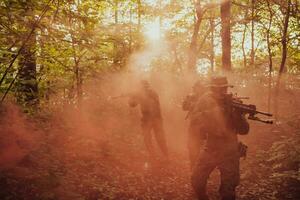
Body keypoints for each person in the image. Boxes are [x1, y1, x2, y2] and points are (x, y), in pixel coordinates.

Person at [191, 76, 249, 200]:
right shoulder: (205, 101)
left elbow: (244, 130)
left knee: (228, 191)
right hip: (211, 147)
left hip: (230, 150)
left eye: (224, 88)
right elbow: (195, 120)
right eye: (217, 89)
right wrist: (211, 113)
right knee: (196, 180)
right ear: (212, 89)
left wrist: (237, 116)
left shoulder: (234, 104)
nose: (221, 91)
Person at [128, 80, 169, 162]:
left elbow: (151, 104)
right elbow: (132, 104)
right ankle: (154, 156)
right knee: (148, 138)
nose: (141, 88)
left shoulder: (151, 93)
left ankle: (165, 156)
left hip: (154, 118)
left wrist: (136, 97)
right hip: (149, 119)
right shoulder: (145, 93)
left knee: (158, 138)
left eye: (142, 87)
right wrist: (131, 98)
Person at [182, 80, 207, 169]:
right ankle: (193, 167)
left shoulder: (207, 97)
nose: (197, 90)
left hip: (205, 127)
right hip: (194, 125)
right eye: (195, 88)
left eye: (199, 88)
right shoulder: (191, 96)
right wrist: (189, 101)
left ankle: (202, 168)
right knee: (192, 147)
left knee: (205, 149)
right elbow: (184, 107)